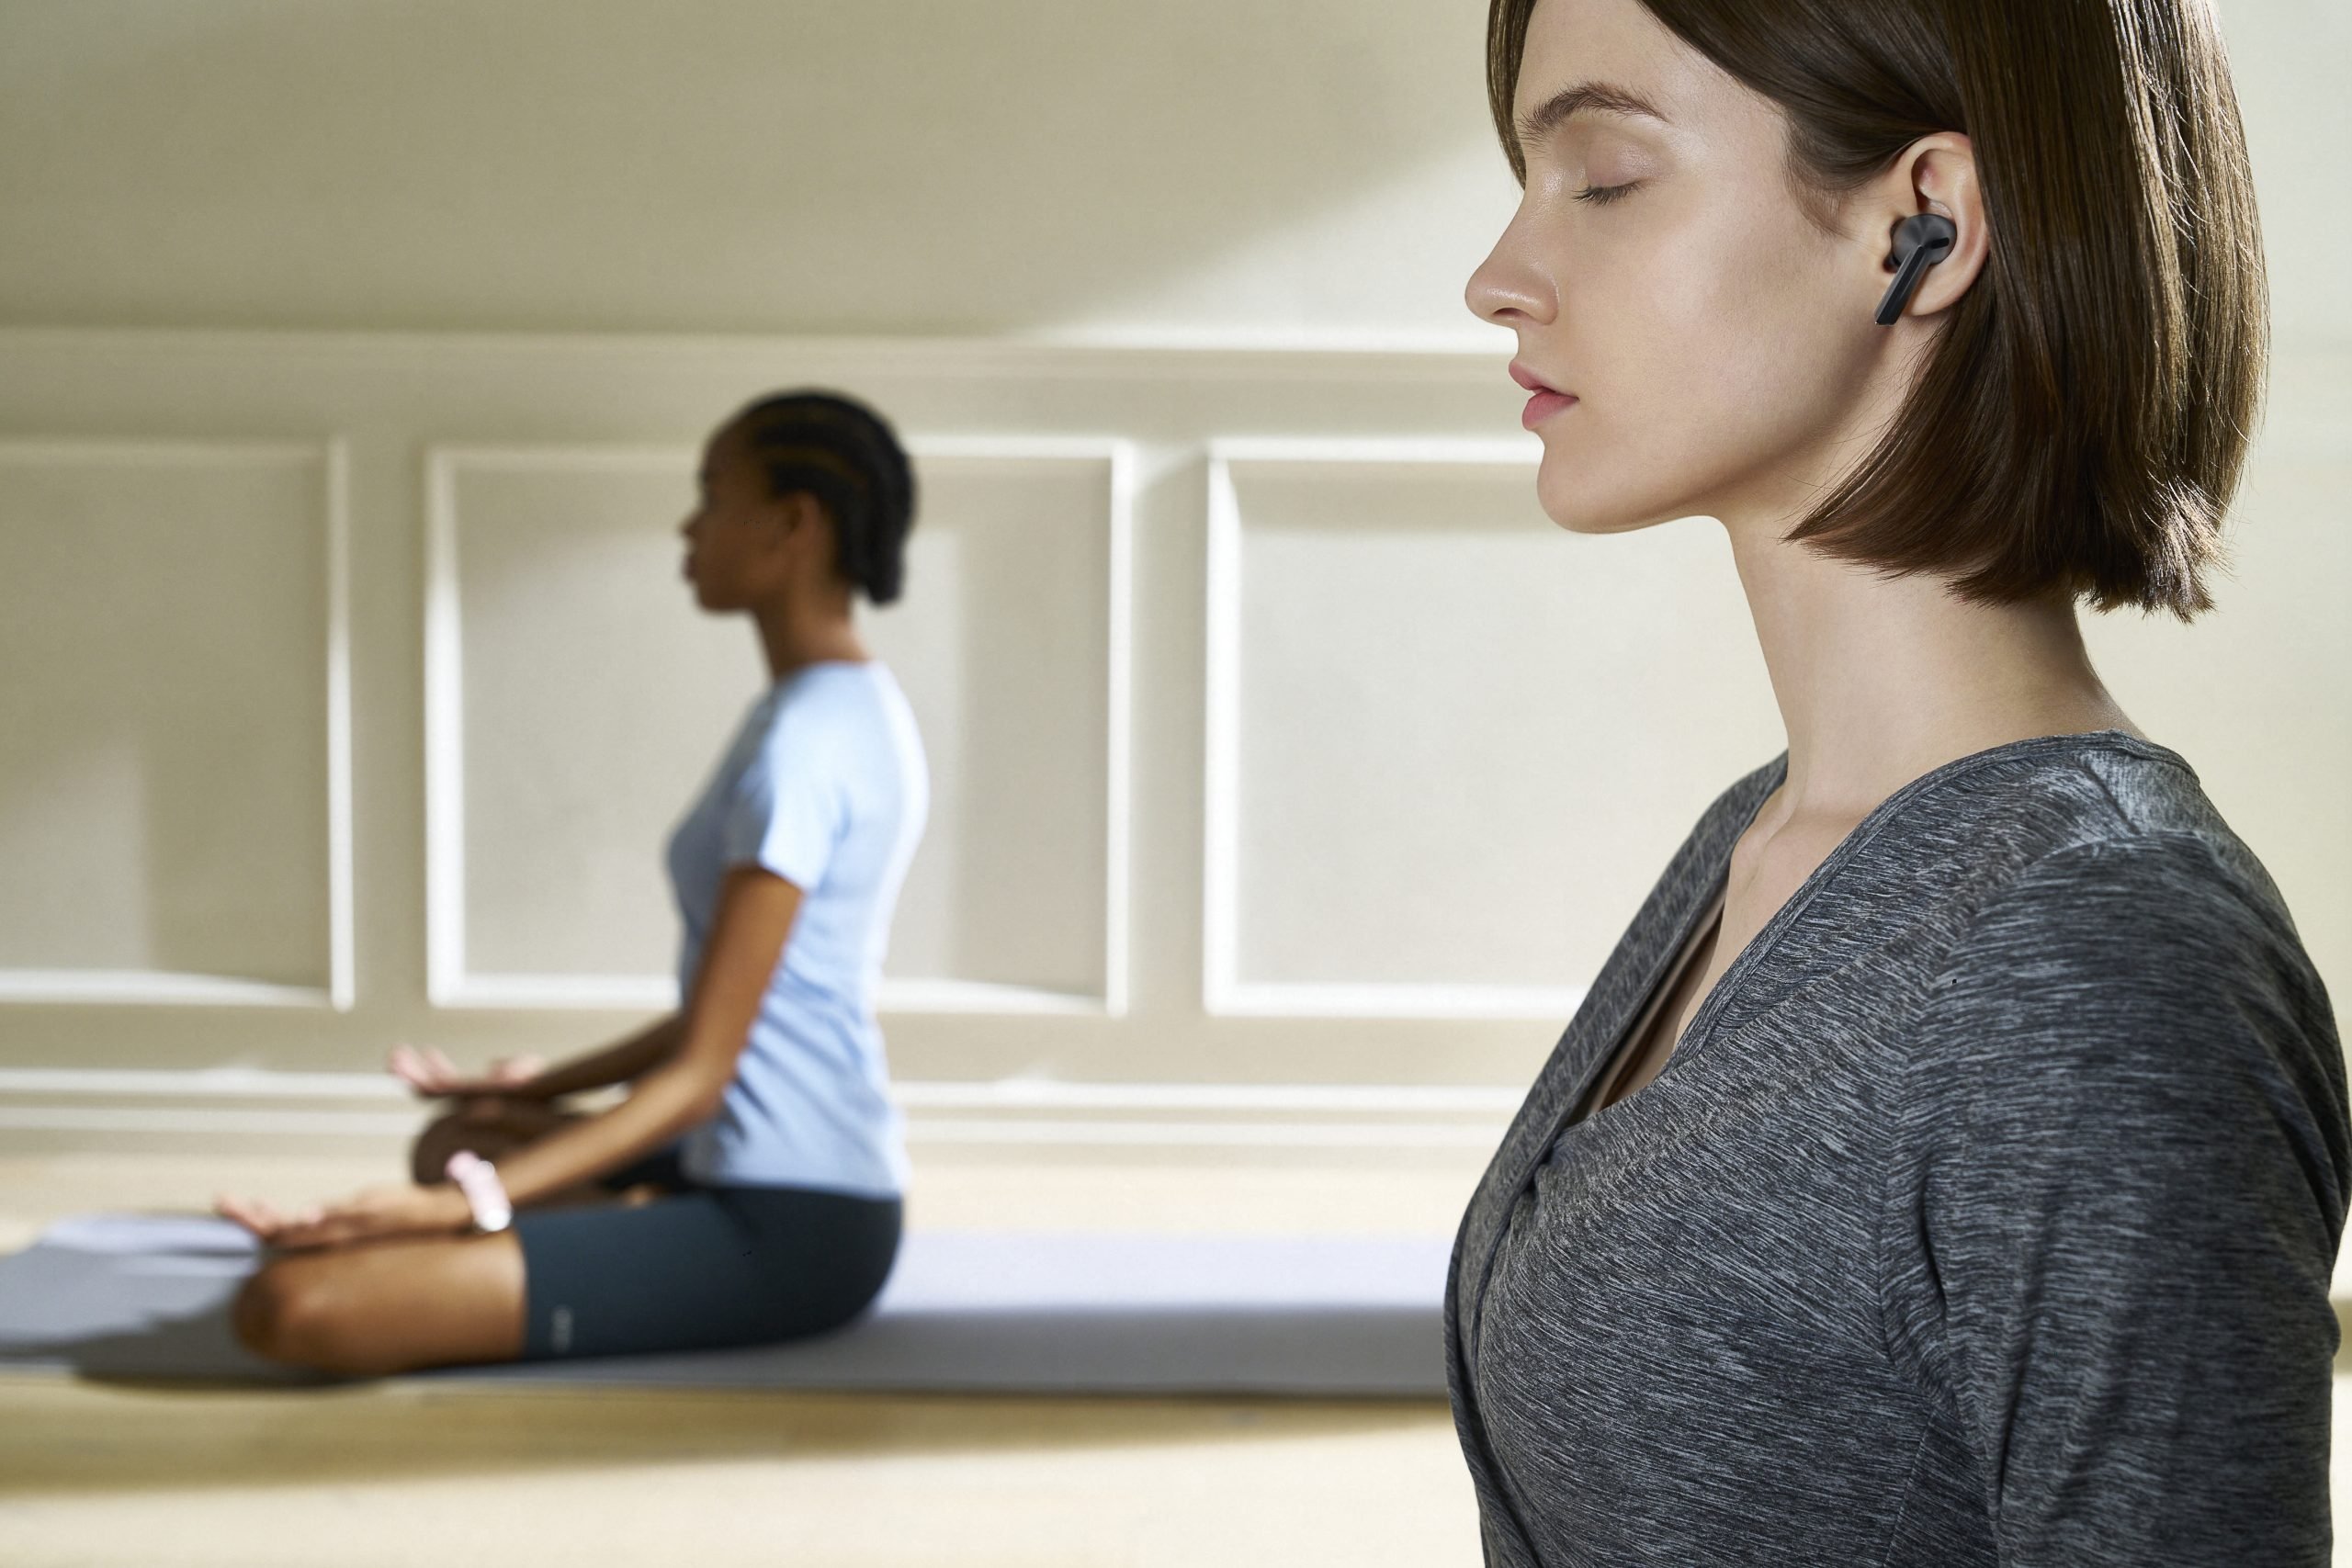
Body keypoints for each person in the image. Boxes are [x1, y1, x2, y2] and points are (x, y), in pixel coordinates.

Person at [1448, 1, 2348, 1564]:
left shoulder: (2097, 961)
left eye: (1600, 175)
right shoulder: (1759, 841)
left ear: (1923, 221)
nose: (1498, 277)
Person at [218, 389, 930, 1377]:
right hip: (741, 1160)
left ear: (792, 524)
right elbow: (728, 1017)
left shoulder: (803, 750)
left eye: (713, 495)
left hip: (792, 1222)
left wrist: (461, 1211)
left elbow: (700, 1073)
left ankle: (614, 1232)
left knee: (290, 1309)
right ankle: (620, 1224)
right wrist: (537, 1090)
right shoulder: (848, 708)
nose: (691, 525)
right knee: (462, 1135)